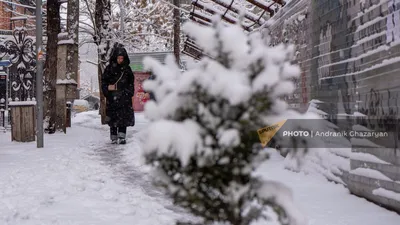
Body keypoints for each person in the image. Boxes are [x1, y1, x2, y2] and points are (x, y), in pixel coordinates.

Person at [101, 46, 135, 144]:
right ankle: (113, 137)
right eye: (119, 58)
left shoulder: (127, 69)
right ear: (115, 57)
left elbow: (131, 83)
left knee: (123, 117)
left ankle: (122, 136)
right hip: (112, 98)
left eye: (122, 58)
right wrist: (107, 91)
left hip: (124, 98)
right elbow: (104, 82)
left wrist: (128, 93)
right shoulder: (109, 69)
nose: (120, 60)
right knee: (113, 118)